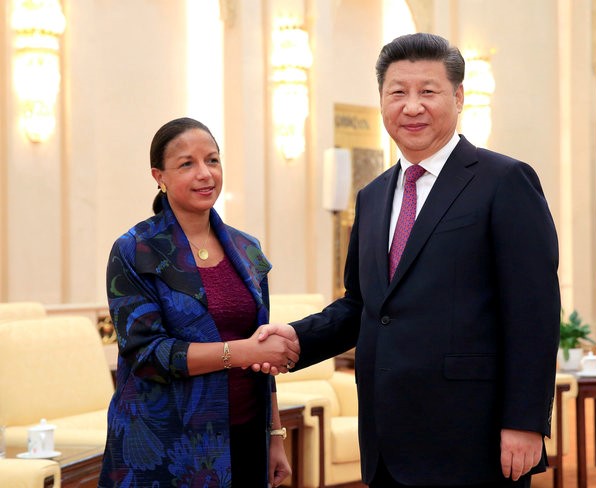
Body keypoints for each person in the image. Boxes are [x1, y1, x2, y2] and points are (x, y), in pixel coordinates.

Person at [258, 33, 560, 487]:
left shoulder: (504, 181)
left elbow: (533, 312)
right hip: (387, 438)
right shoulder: (374, 195)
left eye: (428, 91)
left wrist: (525, 421)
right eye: (397, 92)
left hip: (472, 438)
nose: (412, 106)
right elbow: (363, 305)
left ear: (458, 98)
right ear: (382, 101)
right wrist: (298, 338)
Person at [99, 117, 299, 487]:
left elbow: (263, 346)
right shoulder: (135, 249)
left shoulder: (247, 248)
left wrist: (275, 436)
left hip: (245, 435)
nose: (205, 174)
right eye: (187, 163)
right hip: (167, 444)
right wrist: (240, 352)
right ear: (159, 176)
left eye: (213, 160)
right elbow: (146, 355)